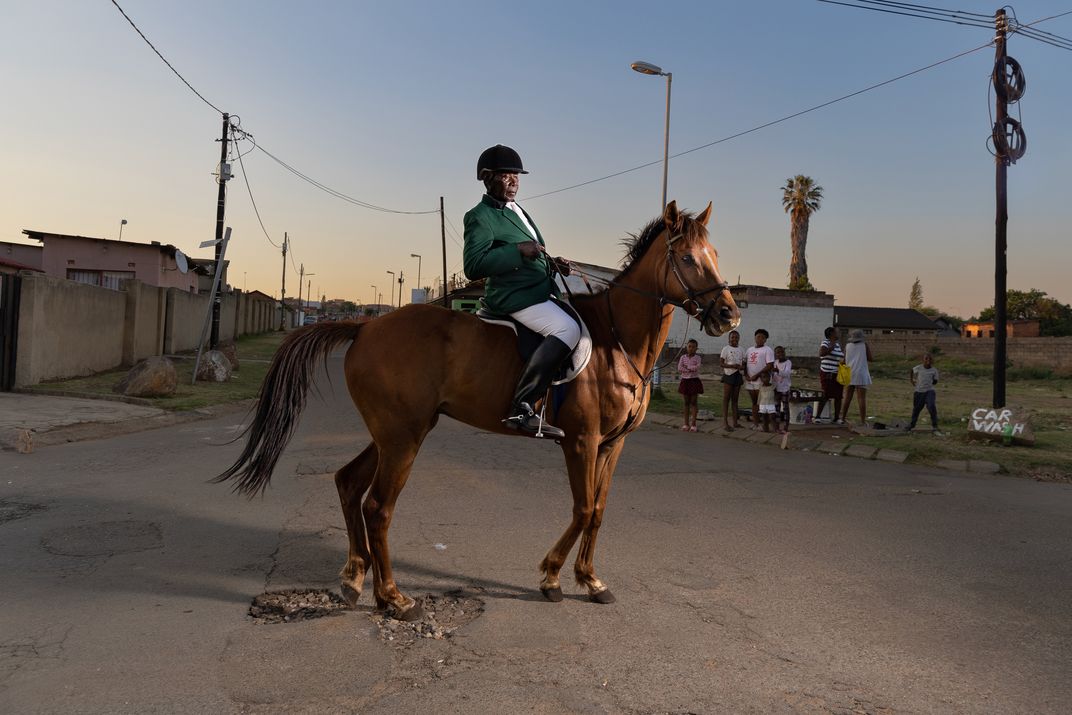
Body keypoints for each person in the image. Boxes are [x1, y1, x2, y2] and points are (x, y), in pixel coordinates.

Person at [463, 145, 576, 439]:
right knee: (568, 330)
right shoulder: (479, 216)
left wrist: (553, 264)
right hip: (513, 297)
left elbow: (532, 253)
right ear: (487, 178)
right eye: (506, 175)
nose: (514, 181)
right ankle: (522, 407)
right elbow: (473, 265)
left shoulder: (517, 210)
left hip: (537, 289)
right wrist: (517, 250)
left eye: (517, 175)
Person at [839, 329, 873, 427]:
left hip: (850, 373)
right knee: (861, 398)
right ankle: (862, 421)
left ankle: (843, 418)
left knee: (847, 397)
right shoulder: (864, 345)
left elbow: (844, 361)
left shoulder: (847, 346)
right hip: (861, 373)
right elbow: (870, 358)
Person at [745, 329, 775, 430]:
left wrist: (757, 375)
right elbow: (745, 364)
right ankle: (755, 423)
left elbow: (770, 365)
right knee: (754, 402)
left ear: (765, 339)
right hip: (750, 381)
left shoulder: (768, 350)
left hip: (761, 381)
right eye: (758, 336)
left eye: (763, 337)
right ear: (755, 337)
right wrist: (746, 375)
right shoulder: (749, 350)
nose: (760, 339)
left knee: (762, 403)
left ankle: (765, 425)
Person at [815, 327, 844, 424]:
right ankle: (818, 417)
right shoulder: (826, 342)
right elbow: (821, 353)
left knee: (838, 396)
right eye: (836, 332)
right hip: (827, 372)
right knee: (825, 394)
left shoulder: (838, 345)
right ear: (831, 333)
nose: (838, 333)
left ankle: (836, 418)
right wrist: (831, 348)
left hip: (837, 373)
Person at [908, 352, 941, 433]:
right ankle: (912, 425)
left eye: (930, 359)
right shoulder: (919, 368)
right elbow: (912, 370)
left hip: (929, 391)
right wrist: (912, 380)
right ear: (923, 360)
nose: (928, 360)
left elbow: (935, 381)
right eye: (926, 359)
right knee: (916, 409)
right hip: (919, 392)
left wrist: (931, 383)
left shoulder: (934, 370)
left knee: (931, 406)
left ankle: (935, 425)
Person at [719, 330, 744, 431]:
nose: (734, 339)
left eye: (736, 337)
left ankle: (735, 422)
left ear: (739, 338)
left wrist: (741, 367)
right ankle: (725, 423)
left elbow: (744, 363)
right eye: (732, 337)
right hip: (728, 375)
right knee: (726, 399)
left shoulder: (742, 349)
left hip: (737, 375)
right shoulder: (726, 349)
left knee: (735, 400)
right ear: (729, 338)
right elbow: (721, 364)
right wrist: (732, 366)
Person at [677, 339, 703, 432]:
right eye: (689, 346)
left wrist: (687, 368)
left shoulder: (698, 358)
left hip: (694, 381)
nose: (691, 348)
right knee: (686, 402)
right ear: (686, 347)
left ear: (696, 348)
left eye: (693, 347)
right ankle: (686, 424)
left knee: (694, 402)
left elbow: (697, 367)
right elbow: (679, 368)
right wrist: (689, 369)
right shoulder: (683, 357)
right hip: (685, 381)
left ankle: (693, 424)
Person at [772, 345, 792, 434]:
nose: (780, 354)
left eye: (782, 352)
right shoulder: (775, 362)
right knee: (777, 408)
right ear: (775, 354)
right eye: (778, 352)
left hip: (785, 388)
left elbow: (787, 374)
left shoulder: (788, 362)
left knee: (786, 408)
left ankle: (786, 426)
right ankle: (777, 426)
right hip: (776, 388)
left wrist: (778, 371)